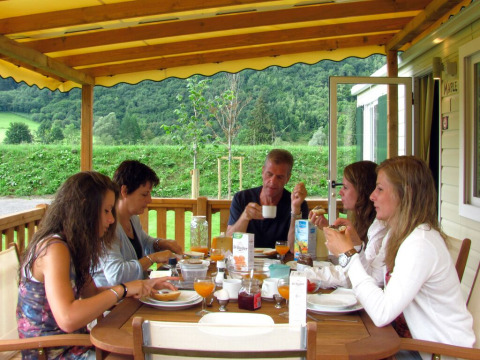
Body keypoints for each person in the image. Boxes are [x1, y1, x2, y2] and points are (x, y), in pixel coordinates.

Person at [324, 156, 475, 356]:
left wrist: (347, 255)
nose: (371, 196)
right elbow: (375, 279)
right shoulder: (398, 235)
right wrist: (356, 247)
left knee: (338, 349)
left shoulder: (421, 244)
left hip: (438, 353)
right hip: (411, 343)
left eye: (380, 189)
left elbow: (381, 313)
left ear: (405, 194)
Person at [17, 171, 176, 359]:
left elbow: (91, 294)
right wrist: (123, 289)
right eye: (107, 211)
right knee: (141, 353)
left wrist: (140, 286)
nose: (111, 219)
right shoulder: (54, 249)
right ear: (85, 208)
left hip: (77, 344)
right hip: (53, 352)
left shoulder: (73, 245)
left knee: (144, 351)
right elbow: (67, 318)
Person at [93, 160, 183, 287]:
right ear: (124, 191)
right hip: (115, 303)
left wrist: (161, 243)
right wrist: (153, 258)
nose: (149, 199)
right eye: (144, 194)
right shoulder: (107, 226)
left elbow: (144, 242)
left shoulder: (132, 218)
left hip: (135, 295)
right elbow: (116, 275)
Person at [309, 161, 387, 287]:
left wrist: (305, 275)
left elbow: (358, 275)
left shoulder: (380, 226)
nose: (340, 192)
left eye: (345, 187)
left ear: (362, 190)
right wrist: (326, 228)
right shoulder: (359, 218)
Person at [226, 149, 309, 250]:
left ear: (287, 178)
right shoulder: (242, 198)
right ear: (262, 172)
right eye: (269, 174)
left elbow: (297, 249)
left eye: (279, 177)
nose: (272, 181)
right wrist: (244, 217)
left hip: (282, 263)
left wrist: (295, 210)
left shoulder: (298, 204)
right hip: (247, 261)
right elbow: (228, 243)